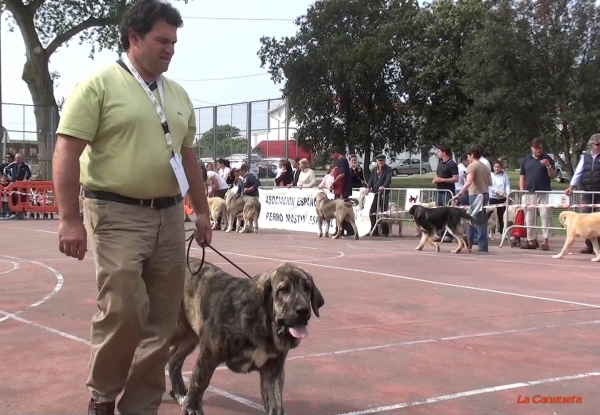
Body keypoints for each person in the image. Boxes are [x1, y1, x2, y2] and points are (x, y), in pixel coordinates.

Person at [51, 2, 212, 415]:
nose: (170, 49)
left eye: (174, 42)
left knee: (162, 321)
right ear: (134, 38)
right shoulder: (98, 85)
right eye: (162, 40)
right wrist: (69, 219)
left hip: (171, 215)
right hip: (116, 212)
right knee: (123, 309)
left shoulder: (178, 95)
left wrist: (202, 211)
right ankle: (103, 396)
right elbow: (67, 149)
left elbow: (188, 156)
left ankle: (140, 407)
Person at [564, 133, 600, 254]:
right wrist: (571, 186)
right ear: (592, 145)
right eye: (597, 144)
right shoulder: (585, 156)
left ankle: (598, 248)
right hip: (587, 191)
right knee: (586, 218)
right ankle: (589, 245)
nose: (599, 146)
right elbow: (578, 172)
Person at [519, 137, 556, 251]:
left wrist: (548, 166)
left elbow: (553, 176)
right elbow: (522, 177)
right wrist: (522, 192)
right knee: (529, 218)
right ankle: (531, 241)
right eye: (536, 148)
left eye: (540, 148)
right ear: (531, 148)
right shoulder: (526, 160)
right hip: (529, 193)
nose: (538, 150)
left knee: (545, 216)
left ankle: (545, 241)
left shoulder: (547, 159)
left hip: (543, 192)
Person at [453, 145, 492, 252]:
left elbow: (469, 181)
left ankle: (482, 245)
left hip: (476, 195)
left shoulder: (472, 166)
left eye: (468, 156)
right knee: (470, 219)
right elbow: (489, 183)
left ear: (472, 155)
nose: (468, 158)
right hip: (484, 193)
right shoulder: (485, 166)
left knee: (478, 221)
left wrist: (460, 193)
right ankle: (468, 242)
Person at [365, 154, 393, 237]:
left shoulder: (388, 169)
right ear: (376, 161)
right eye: (379, 161)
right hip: (375, 193)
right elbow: (371, 179)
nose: (381, 162)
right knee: (372, 211)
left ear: (384, 161)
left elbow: (388, 179)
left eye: (382, 161)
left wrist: (384, 186)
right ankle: (374, 230)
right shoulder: (374, 169)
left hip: (384, 193)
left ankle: (385, 231)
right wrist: (368, 187)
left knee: (383, 212)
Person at [330, 146, 355, 236]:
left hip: (343, 189)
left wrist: (333, 182)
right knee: (341, 211)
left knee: (341, 211)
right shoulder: (340, 161)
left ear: (336, 152)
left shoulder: (342, 160)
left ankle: (345, 230)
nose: (332, 157)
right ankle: (342, 229)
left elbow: (342, 174)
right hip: (341, 189)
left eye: (332, 155)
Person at [489, 160, 511, 236]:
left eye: (498, 167)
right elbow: (490, 186)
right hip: (493, 198)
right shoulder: (490, 175)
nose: (497, 168)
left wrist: (507, 193)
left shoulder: (504, 175)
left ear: (501, 168)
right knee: (492, 217)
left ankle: (502, 232)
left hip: (502, 198)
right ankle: (491, 232)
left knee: (502, 216)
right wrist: (497, 191)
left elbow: (507, 185)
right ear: (493, 167)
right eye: (495, 167)